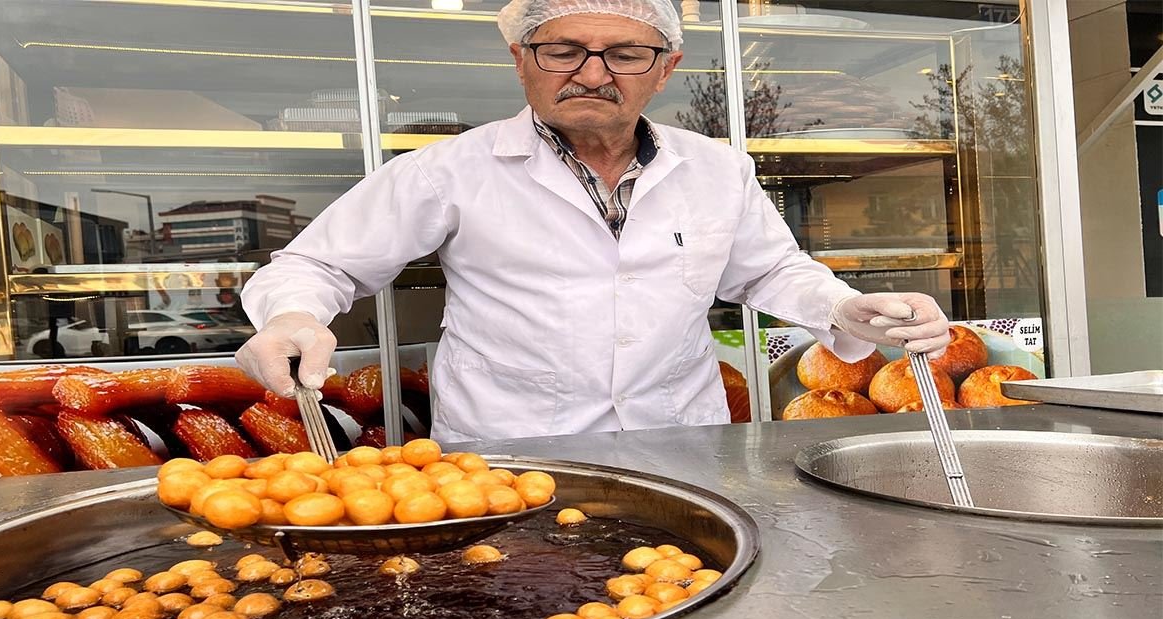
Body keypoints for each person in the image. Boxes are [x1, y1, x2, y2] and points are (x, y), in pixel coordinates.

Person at [237, 0, 950, 443]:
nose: (592, 72)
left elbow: (769, 269)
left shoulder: (715, 169)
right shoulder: (451, 171)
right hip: (514, 448)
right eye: (563, 49)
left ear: (664, 68)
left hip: (682, 442)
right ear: (523, 61)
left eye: (624, 53)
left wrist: (848, 308)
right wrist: (291, 317)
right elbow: (317, 265)